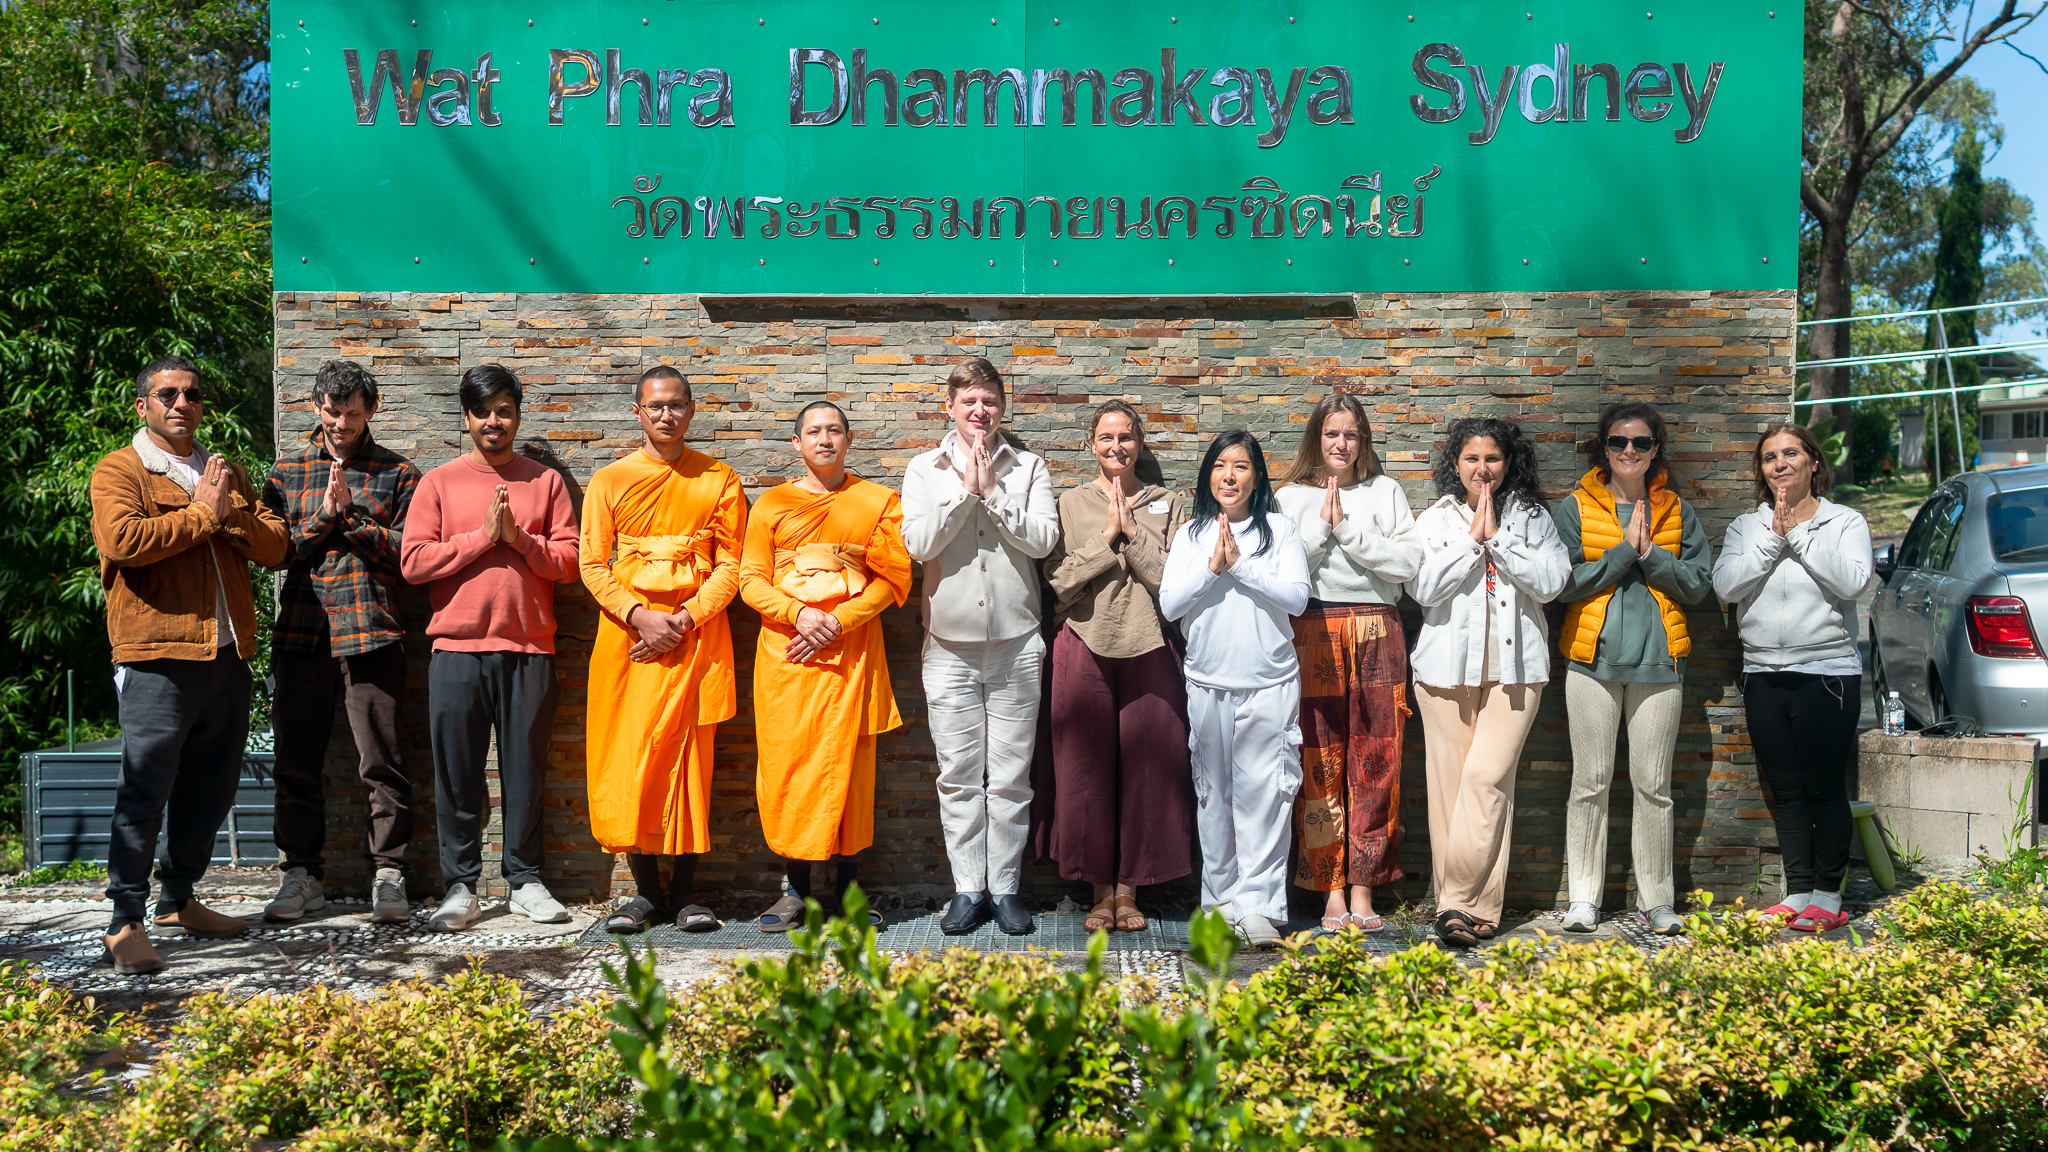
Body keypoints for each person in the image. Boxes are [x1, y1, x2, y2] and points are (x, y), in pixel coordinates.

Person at [90, 355, 290, 974]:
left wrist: (225, 512)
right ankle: (124, 920)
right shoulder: (120, 470)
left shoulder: (221, 469)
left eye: (192, 394)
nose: (182, 404)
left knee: (212, 787)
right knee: (146, 787)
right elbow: (123, 543)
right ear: (143, 405)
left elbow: (277, 546)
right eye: (168, 394)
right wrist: (205, 512)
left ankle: (179, 900)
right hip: (156, 655)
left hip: (227, 653)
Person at [399, 364, 581, 933]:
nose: (494, 421)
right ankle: (461, 885)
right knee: (458, 774)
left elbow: (570, 563)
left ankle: (525, 881)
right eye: (483, 411)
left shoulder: (545, 483)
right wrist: (483, 536)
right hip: (456, 649)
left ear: (518, 413)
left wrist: (518, 539)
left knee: (525, 770)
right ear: (468, 417)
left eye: (505, 409)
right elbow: (413, 562)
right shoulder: (439, 483)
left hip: (529, 648)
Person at [580, 367, 747, 934]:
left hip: (695, 638)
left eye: (676, 406)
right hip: (629, 642)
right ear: (637, 413)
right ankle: (646, 895)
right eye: (655, 407)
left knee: (690, 766)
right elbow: (591, 565)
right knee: (635, 763)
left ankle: (689, 894)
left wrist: (684, 618)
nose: (666, 416)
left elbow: (732, 567)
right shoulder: (608, 481)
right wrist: (638, 616)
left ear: (692, 410)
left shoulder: (720, 479)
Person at [260, 360, 420, 927]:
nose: (341, 422)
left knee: (382, 762)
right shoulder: (288, 468)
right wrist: (320, 518)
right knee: (296, 762)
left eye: (353, 412)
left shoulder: (397, 472)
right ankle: (301, 874)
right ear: (315, 406)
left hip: (371, 633)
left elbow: (409, 555)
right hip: (302, 633)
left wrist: (349, 520)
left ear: (371, 410)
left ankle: (389, 873)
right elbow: (273, 551)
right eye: (332, 411)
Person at [902, 358, 1058, 936]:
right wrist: (966, 495)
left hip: (1017, 642)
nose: (980, 411)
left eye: (989, 401)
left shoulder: (1030, 466)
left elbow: (1043, 541)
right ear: (950, 406)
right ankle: (968, 888)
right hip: (949, 647)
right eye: (969, 401)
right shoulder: (924, 469)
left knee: (1013, 774)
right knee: (959, 774)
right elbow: (919, 544)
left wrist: (994, 495)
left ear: (1001, 408)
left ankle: (1007, 888)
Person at [742, 401, 911, 931]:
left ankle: (849, 891)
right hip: (787, 655)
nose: (824, 439)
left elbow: (893, 578)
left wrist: (839, 622)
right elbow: (750, 580)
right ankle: (794, 891)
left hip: (851, 651)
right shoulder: (771, 504)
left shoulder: (878, 500)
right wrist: (799, 613)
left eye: (834, 430)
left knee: (852, 770)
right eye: (813, 432)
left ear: (849, 439)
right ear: (797, 443)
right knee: (790, 770)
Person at [1554, 403, 1713, 937]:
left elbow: (1696, 586)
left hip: (1660, 667)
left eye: (1641, 443)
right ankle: (1583, 899)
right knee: (1589, 783)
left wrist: (1653, 556)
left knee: (1654, 786)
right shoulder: (1575, 508)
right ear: (1603, 449)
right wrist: (1625, 552)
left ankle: (1657, 900)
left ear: (1655, 451)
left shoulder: (1676, 510)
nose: (1629, 451)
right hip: (1590, 666)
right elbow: (1564, 585)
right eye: (1618, 442)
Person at [1409, 417, 1568, 950]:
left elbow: (1550, 583)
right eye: (1472, 458)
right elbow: (1424, 589)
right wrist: (1471, 544)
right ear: (1456, 464)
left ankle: (1451, 903)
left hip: (1516, 672)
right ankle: (1479, 910)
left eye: (1493, 458)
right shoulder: (1435, 520)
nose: (1482, 468)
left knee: (1487, 780)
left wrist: (1499, 540)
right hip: (1443, 673)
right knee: (1452, 794)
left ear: (1509, 462)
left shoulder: (1532, 518)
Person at [1711, 423, 1872, 934]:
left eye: (1790, 454)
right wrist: (1770, 541)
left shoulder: (1844, 521)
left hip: (1827, 673)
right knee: (1784, 789)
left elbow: (1852, 582)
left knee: (1823, 787)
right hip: (1763, 673)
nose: (1780, 463)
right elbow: (1725, 585)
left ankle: (1829, 894)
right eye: (1769, 457)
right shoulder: (1746, 525)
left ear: (1813, 462)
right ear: (1762, 470)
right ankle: (1798, 890)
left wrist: (1796, 536)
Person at [1039, 400, 1193, 933]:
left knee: (1151, 770)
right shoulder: (1071, 503)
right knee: (1084, 769)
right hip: (1083, 642)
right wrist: (1107, 539)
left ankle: (1131, 892)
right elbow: (1057, 580)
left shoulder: (1168, 502)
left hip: (1150, 644)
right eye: (1106, 438)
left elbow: (1176, 582)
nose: (1116, 447)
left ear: (1140, 444)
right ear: (1092, 444)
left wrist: (1134, 532)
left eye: (1126, 437)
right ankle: (1099, 892)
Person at [1272, 395, 1422, 935]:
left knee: (1377, 758)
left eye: (1351, 434)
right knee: (1319, 760)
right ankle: (1330, 885)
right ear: (1316, 437)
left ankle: (1364, 885)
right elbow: (1280, 563)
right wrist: (1322, 528)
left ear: (1364, 441)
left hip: (1379, 629)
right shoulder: (1288, 497)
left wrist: (1351, 532)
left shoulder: (1386, 492)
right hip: (1313, 628)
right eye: (1332, 433)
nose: (1341, 444)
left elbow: (1407, 565)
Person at [1160, 431, 1310, 949]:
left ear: (1257, 475)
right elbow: (1171, 604)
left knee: (1266, 798)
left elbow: (1296, 598)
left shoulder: (1279, 530)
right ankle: (1220, 909)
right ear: (1208, 475)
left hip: (1269, 683)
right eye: (1220, 465)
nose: (1229, 475)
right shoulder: (1191, 533)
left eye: (1241, 466)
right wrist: (1212, 567)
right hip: (1207, 682)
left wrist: (1240, 565)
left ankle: (1261, 909)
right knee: (1215, 798)